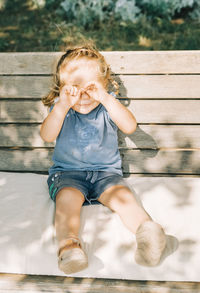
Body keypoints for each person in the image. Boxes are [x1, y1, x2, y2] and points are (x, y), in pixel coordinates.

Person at [40, 44, 167, 275]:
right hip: (68, 174)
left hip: (106, 175)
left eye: (91, 88)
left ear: (105, 86)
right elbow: (47, 135)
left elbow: (129, 126)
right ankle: (69, 246)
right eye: (75, 88)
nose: (84, 95)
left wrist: (107, 99)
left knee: (125, 200)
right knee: (66, 202)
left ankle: (148, 233)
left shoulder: (107, 107)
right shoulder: (62, 109)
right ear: (63, 89)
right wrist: (61, 106)